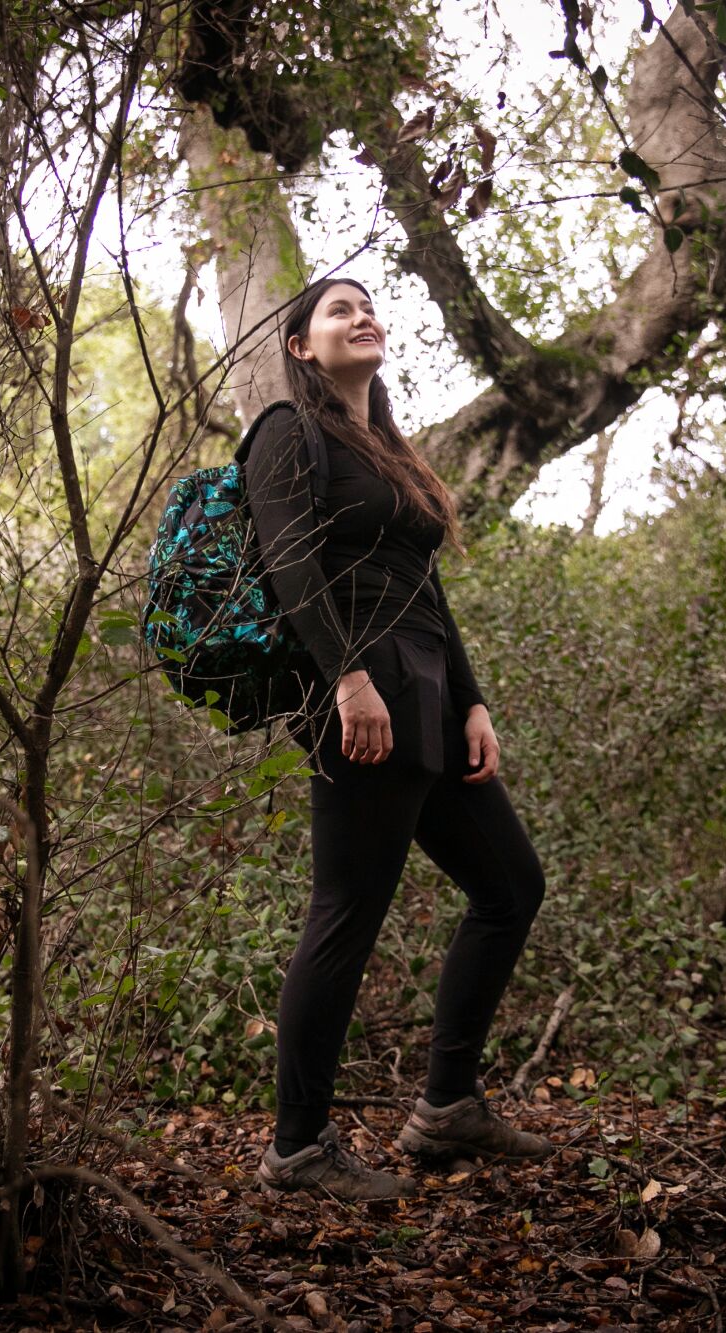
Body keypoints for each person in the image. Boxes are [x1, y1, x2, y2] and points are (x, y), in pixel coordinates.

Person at [243, 277, 552, 1200]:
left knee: (510, 887)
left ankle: (448, 1106)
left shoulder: (387, 452)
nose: (361, 317)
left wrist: (473, 699)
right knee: (347, 913)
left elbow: (425, 586)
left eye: (369, 306)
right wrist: (345, 678)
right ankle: (298, 1148)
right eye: (338, 310)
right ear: (302, 346)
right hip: (360, 701)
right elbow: (290, 562)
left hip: (425, 701)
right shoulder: (286, 433)